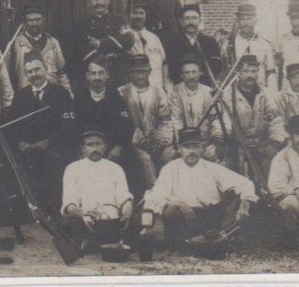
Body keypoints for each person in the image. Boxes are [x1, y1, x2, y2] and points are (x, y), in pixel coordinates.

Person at [143, 127, 257, 245]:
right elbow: (156, 195)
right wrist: (179, 204)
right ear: (180, 149)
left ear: (202, 148)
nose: (191, 151)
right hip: (183, 218)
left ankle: (218, 237)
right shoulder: (170, 169)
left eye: (195, 146)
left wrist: (244, 206)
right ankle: (184, 243)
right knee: (171, 211)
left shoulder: (212, 168)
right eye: (187, 147)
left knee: (242, 198)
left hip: (208, 218)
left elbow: (245, 183)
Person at [5, 52, 76, 214]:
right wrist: (20, 142)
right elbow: (12, 125)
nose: (34, 74)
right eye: (29, 72)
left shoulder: (60, 93)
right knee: (11, 162)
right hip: (28, 147)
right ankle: (24, 212)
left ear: (45, 69)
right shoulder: (21, 95)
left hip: (54, 146)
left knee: (53, 160)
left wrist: (48, 142)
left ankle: (54, 211)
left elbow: (68, 125)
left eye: (37, 69)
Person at [61, 128, 133, 247]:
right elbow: (69, 203)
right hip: (87, 220)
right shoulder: (72, 168)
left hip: (112, 220)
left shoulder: (115, 168)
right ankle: (96, 242)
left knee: (137, 220)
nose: (94, 148)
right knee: (68, 222)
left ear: (105, 147)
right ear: (83, 148)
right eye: (90, 144)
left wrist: (126, 211)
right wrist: (83, 213)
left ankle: (98, 243)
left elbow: (123, 195)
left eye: (98, 144)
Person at [117, 54, 174, 196]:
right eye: (136, 71)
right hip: (132, 142)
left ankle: (169, 191)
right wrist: (135, 137)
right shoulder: (122, 92)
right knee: (145, 159)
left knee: (169, 155)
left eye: (143, 71)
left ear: (149, 71)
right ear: (130, 73)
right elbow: (121, 121)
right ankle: (155, 193)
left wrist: (158, 141)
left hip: (156, 139)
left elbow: (165, 120)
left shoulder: (158, 91)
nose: (140, 75)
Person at [222, 54, 285, 183]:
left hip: (261, 145)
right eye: (246, 71)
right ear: (238, 73)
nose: (250, 75)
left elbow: (275, 118)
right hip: (239, 146)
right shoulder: (229, 95)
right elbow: (225, 120)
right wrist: (229, 142)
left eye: (254, 71)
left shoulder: (265, 94)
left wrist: (274, 143)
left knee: (268, 181)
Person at [73, 57, 135, 169]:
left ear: (107, 75)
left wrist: (118, 148)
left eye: (101, 73)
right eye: (93, 73)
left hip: (111, 148)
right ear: (88, 76)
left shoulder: (116, 97)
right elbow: (73, 126)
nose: (97, 77)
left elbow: (127, 125)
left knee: (131, 160)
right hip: (86, 146)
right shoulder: (79, 97)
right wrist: (81, 149)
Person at [71, 0, 135, 90]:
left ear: (108, 0)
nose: (98, 2)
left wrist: (101, 43)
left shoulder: (119, 20)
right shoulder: (83, 26)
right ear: (89, 3)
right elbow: (81, 52)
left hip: (118, 73)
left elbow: (129, 40)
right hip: (96, 75)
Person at [169, 56, 224, 162]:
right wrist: (182, 142)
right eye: (187, 73)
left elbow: (215, 119)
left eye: (194, 72)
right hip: (184, 142)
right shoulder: (174, 93)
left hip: (205, 142)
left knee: (218, 160)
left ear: (200, 73)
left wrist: (217, 140)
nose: (191, 76)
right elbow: (176, 120)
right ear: (181, 75)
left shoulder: (209, 92)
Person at [10, 4, 71, 94]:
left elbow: (61, 72)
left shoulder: (53, 42)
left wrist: (68, 92)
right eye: (30, 20)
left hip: (52, 94)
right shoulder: (15, 44)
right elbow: (8, 77)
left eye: (37, 20)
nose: (34, 23)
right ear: (25, 22)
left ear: (43, 20)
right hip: (27, 95)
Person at [221, 3, 277, 92]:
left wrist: (271, 93)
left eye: (249, 19)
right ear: (238, 22)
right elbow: (224, 74)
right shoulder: (228, 45)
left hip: (260, 93)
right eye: (242, 19)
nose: (246, 23)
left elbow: (270, 72)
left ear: (255, 21)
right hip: (236, 95)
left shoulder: (265, 44)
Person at [167, 4, 222, 86]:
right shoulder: (173, 43)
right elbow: (172, 69)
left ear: (200, 21)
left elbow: (216, 67)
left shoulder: (210, 42)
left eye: (194, 18)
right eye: (187, 18)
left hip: (205, 87)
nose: (191, 22)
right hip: (181, 88)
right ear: (181, 22)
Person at [127, 3, 169, 91]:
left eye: (142, 13)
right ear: (129, 15)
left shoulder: (154, 38)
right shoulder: (124, 38)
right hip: (134, 90)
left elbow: (164, 63)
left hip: (156, 88)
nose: (138, 16)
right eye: (135, 13)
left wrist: (165, 85)